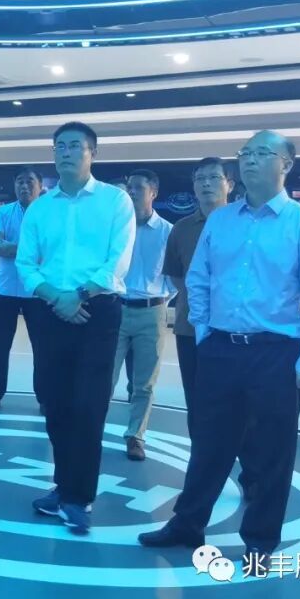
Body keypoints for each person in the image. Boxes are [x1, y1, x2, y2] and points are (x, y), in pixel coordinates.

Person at [139, 131, 300, 566]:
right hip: (221, 349)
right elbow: (199, 279)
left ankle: (261, 540)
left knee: (272, 452)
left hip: (277, 353)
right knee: (208, 444)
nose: (249, 160)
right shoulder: (222, 221)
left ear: (286, 164)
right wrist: (205, 333)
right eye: (245, 153)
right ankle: (187, 523)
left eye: (262, 153)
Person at [17, 121, 135, 535]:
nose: (65, 152)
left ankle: (78, 497)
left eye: (75, 146)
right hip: (50, 311)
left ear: (92, 153)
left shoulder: (115, 201)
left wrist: (80, 294)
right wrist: (56, 297)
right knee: (54, 401)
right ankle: (64, 485)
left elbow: (118, 260)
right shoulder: (40, 208)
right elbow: (26, 263)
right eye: (60, 146)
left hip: (97, 311)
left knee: (88, 404)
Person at [162, 157, 233, 437]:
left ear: (229, 184)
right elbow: (176, 275)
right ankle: (200, 454)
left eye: (214, 177)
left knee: (232, 401)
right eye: (200, 179)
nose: (206, 184)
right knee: (196, 397)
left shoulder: (243, 224)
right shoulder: (181, 228)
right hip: (190, 327)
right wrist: (199, 299)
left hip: (234, 328)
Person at [110, 169, 175, 461]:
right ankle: (90, 429)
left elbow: (175, 277)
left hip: (152, 313)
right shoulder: (117, 228)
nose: (131, 192)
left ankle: (136, 436)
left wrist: (160, 298)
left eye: (138, 187)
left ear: (154, 193)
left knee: (144, 383)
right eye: (129, 187)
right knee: (104, 376)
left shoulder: (168, 232)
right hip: (117, 309)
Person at [0, 167, 44, 412]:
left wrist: (13, 248)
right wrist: (32, 251)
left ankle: (46, 397)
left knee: (42, 346)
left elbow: (52, 249)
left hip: (38, 290)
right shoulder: (2, 212)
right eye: (20, 182)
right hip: (5, 289)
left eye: (30, 181)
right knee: (0, 343)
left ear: (40, 186)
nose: (24, 186)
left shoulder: (48, 213)